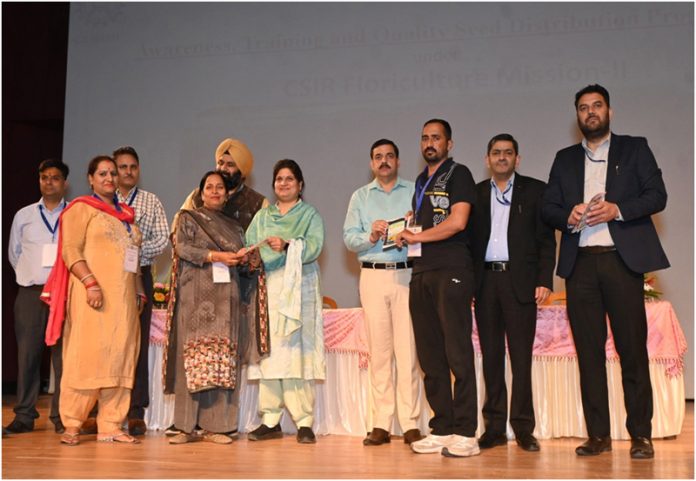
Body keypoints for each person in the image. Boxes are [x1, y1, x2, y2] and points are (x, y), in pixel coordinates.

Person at [541, 84, 669, 459]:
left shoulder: (635, 148)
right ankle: (597, 435)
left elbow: (657, 195)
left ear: (609, 112)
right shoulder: (564, 159)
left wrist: (617, 209)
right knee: (589, 354)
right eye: (583, 108)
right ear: (577, 116)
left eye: (597, 106)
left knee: (632, 351)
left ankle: (640, 435)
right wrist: (569, 214)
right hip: (580, 265)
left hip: (620, 260)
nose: (590, 113)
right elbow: (548, 207)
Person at [41, 155, 144, 445]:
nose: (110, 178)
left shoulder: (126, 215)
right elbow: (71, 251)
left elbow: (132, 261)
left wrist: (138, 290)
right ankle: (72, 422)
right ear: (90, 178)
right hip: (92, 296)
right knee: (86, 357)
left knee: (121, 357)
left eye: (113, 173)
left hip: (124, 301)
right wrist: (90, 283)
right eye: (103, 173)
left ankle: (111, 424)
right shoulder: (81, 209)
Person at [394, 119, 479, 458]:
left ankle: (466, 431)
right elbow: (424, 223)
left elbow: (457, 222)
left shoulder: (459, 174)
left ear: (449, 143)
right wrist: (407, 226)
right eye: (425, 138)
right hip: (421, 272)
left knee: (457, 351)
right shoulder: (420, 181)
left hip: (452, 269)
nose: (430, 143)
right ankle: (442, 427)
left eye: (436, 138)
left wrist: (416, 236)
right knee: (430, 356)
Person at [470, 134, 556, 452]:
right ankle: (493, 428)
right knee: (491, 359)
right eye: (496, 153)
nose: (502, 158)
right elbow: (467, 245)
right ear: (487, 159)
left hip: (520, 283)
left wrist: (544, 279)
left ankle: (523, 428)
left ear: (517, 159)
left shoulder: (536, 191)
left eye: (508, 153)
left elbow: (547, 240)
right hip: (485, 284)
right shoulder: (476, 194)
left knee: (521, 360)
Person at [166, 171, 263, 445]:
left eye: (220, 187)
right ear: (201, 192)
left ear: (227, 193)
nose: (215, 191)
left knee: (221, 361)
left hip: (226, 300)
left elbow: (242, 265)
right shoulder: (189, 217)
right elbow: (182, 248)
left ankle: (218, 427)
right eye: (209, 187)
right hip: (194, 296)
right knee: (193, 360)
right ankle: (186, 427)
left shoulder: (235, 227)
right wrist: (214, 256)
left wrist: (249, 259)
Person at [343, 138, 423, 446]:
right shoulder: (360, 197)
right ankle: (380, 424)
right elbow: (349, 239)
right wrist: (370, 235)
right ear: (371, 163)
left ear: (399, 162)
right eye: (378, 157)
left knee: (408, 352)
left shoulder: (414, 191)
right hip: (372, 276)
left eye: (390, 156)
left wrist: (414, 228)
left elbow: (427, 228)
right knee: (379, 354)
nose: (384, 161)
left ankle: (412, 423)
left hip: (406, 274)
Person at [245, 159, 325, 444]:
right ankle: (270, 419)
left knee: (295, 353)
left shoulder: (309, 215)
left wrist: (289, 245)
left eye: (290, 179)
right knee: (270, 354)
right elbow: (250, 247)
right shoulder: (262, 217)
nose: (284, 183)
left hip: (299, 288)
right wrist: (265, 254)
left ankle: (304, 421)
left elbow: (315, 246)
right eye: (279, 179)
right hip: (268, 289)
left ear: (300, 185)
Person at [5, 159, 70, 435]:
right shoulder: (24, 215)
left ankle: (62, 416)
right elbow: (14, 253)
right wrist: (33, 276)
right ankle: (24, 415)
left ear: (64, 183)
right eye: (44, 177)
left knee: (64, 358)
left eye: (55, 178)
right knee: (28, 355)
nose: (49, 182)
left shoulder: (76, 213)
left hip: (65, 293)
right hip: (32, 292)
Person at [113, 146, 169, 436]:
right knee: (108, 342)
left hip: (141, 274)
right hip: (108, 276)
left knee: (137, 342)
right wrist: (117, 252)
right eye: (122, 167)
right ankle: (101, 410)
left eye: (133, 167)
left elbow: (162, 239)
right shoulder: (101, 202)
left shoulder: (150, 200)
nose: (128, 172)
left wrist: (133, 249)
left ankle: (135, 410)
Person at [175, 138, 268, 231]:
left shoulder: (258, 203)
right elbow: (178, 226)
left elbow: (266, 239)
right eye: (220, 163)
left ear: (241, 171)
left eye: (230, 165)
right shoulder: (197, 196)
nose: (223, 168)